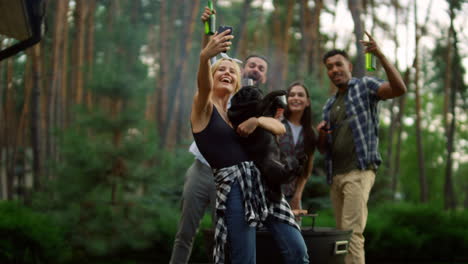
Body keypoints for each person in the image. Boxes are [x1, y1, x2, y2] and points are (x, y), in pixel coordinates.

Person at [191, 25, 308, 264]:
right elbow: (202, 84)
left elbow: (280, 128)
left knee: (298, 252)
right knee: (245, 258)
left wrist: (256, 120)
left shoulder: (237, 113)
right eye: (220, 69)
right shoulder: (204, 108)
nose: (227, 72)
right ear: (211, 77)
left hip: (263, 182)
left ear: (237, 82)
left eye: (232, 71)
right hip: (235, 186)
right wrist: (205, 55)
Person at [169, 7, 272, 264]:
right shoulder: (207, 100)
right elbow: (206, 72)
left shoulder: (243, 106)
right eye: (252, 65)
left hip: (229, 180)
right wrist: (208, 35)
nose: (255, 69)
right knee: (185, 232)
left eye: (261, 68)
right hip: (201, 169)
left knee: (223, 233)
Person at [316, 32, 407, 264]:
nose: (334, 70)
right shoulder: (329, 105)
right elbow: (323, 149)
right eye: (329, 67)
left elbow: (399, 89)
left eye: (338, 64)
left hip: (359, 171)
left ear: (349, 65)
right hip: (335, 175)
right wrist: (321, 135)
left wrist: (380, 56)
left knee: (352, 233)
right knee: (342, 235)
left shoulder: (364, 86)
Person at [279, 82, 316, 217]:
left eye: (300, 95)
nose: (295, 98)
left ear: (307, 102)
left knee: (295, 235)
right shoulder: (277, 124)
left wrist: (297, 195)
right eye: (292, 95)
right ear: (287, 100)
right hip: (270, 193)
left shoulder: (310, 133)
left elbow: (307, 169)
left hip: (293, 196)